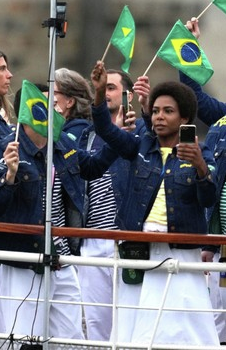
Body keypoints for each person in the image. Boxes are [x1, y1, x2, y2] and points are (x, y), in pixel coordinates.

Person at [90, 60, 220, 347]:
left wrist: (200, 165)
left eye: (168, 111)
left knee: (181, 332)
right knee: (133, 328)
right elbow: (106, 130)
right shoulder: (140, 145)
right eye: (157, 110)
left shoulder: (203, 152)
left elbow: (208, 199)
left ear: (184, 119)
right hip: (139, 248)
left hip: (181, 254)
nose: (159, 117)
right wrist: (99, 95)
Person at [0, 80, 114, 340]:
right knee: (25, 338)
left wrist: (117, 136)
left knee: (71, 339)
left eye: (54, 105)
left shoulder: (62, 144)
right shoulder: (6, 147)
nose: (52, 111)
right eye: (44, 106)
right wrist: (9, 176)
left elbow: (93, 166)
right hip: (26, 261)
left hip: (61, 259)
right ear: (27, 111)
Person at [183, 17, 226, 342]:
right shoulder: (222, 116)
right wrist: (191, 47)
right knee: (218, 330)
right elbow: (191, 95)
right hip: (220, 248)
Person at [77, 68, 147, 341]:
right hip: (92, 237)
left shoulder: (143, 132)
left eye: (112, 88)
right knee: (95, 323)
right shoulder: (89, 133)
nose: (106, 93)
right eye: (103, 88)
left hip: (126, 239)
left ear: (128, 94)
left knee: (129, 322)